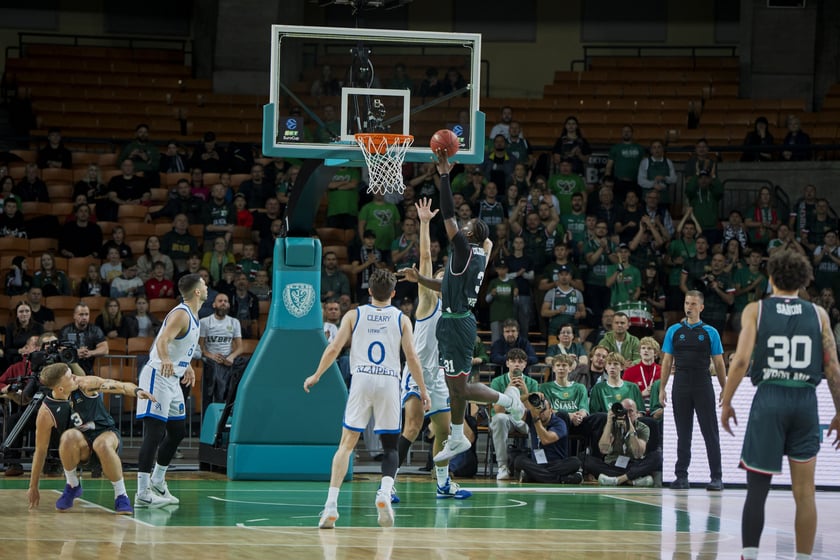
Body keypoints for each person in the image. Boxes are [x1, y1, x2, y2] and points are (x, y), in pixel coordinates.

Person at [405, 148, 523, 465]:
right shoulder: (482, 252)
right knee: (455, 388)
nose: (461, 228)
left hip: (457, 324)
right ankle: (457, 437)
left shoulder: (465, 251)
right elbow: (448, 284)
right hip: (456, 320)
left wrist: (444, 175)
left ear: (468, 235)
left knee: (461, 388)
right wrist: (421, 279)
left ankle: (507, 399)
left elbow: (447, 213)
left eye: (466, 226)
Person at [721, 250, 840, 560]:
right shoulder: (819, 314)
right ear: (803, 281)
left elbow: (742, 360)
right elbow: (833, 370)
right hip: (805, 400)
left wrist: (727, 400)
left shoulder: (755, 310)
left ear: (770, 278)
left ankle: (750, 555)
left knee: (757, 491)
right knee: (805, 493)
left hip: (769, 398)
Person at [304, 268, 428, 528]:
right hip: (389, 381)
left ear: (369, 291)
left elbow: (335, 348)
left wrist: (316, 375)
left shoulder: (354, 315)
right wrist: (423, 390)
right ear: (393, 293)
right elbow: (412, 357)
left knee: (346, 445)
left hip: (362, 379)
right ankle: (384, 491)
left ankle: (330, 506)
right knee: (391, 447)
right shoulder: (402, 318)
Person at [395, 198, 468, 500]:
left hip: (439, 375)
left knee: (446, 433)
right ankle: (388, 483)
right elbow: (425, 259)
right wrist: (424, 223)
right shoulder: (428, 301)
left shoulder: (457, 308)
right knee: (412, 427)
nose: (444, 278)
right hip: (417, 372)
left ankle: (443, 483)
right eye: (441, 276)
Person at [27, 362, 155, 514]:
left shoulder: (86, 384)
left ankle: (121, 496)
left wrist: (137, 390)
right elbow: (40, 451)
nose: (75, 376)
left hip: (107, 437)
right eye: (70, 377)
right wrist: (33, 486)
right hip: (82, 451)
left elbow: (117, 385)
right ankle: (73, 485)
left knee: (101, 444)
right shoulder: (46, 412)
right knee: (68, 436)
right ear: (60, 388)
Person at [134, 273, 206, 508]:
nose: (206, 288)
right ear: (197, 291)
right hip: (158, 375)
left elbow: (181, 347)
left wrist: (187, 368)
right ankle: (143, 493)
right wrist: (165, 360)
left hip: (174, 379)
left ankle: (157, 480)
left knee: (177, 432)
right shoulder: (181, 313)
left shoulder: (195, 316)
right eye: (203, 285)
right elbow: (163, 340)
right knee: (154, 433)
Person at [659, 290, 727, 491]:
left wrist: (725, 388)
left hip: (702, 383)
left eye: (694, 304)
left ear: (701, 307)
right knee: (683, 433)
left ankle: (716, 477)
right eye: (687, 303)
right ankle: (681, 476)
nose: (689, 307)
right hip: (680, 383)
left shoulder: (710, 332)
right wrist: (662, 387)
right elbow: (666, 361)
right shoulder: (673, 331)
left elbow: (719, 362)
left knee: (710, 432)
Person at [583, 398, 661, 487]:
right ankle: (632, 480)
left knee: (657, 457)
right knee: (587, 460)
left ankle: (618, 480)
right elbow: (604, 449)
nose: (626, 414)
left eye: (630, 411)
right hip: (613, 464)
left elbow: (638, 453)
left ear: (637, 414)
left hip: (633, 463)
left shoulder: (642, 428)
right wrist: (609, 422)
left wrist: (630, 428)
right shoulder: (612, 425)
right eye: (623, 410)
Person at [512, 389, 583, 484]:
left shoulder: (559, 423)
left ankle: (533, 477)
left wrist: (536, 418)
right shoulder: (532, 415)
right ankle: (561, 479)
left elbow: (545, 439)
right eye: (539, 410)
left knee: (575, 462)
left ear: (551, 410)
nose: (541, 413)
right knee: (519, 461)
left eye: (544, 409)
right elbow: (513, 407)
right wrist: (530, 395)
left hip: (557, 464)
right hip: (537, 463)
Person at [490, 349, 540, 480]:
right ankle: (502, 467)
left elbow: (533, 412)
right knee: (499, 419)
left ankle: (535, 466)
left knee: (537, 424)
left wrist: (526, 392)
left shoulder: (532, 383)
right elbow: (498, 411)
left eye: (520, 362)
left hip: (525, 419)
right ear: (507, 363)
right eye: (513, 361)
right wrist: (508, 389)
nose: (516, 364)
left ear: (525, 365)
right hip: (507, 418)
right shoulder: (497, 382)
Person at [198, 292, 245, 413]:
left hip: (228, 360)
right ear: (214, 304)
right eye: (220, 301)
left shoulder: (234, 322)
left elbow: (240, 348)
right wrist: (211, 356)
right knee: (214, 370)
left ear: (229, 305)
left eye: (226, 301)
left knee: (245, 364)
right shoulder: (204, 322)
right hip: (211, 361)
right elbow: (200, 347)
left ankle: (233, 408)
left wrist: (231, 357)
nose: (223, 303)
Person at [58, 304, 108, 375]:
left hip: (89, 371)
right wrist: (74, 353)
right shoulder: (66, 330)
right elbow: (60, 349)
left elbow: (105, 349)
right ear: (74, 316)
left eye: (86, 314)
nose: (84, 317)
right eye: (81, 314)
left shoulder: (95, 330)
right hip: (69, 372)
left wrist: (91, 353)